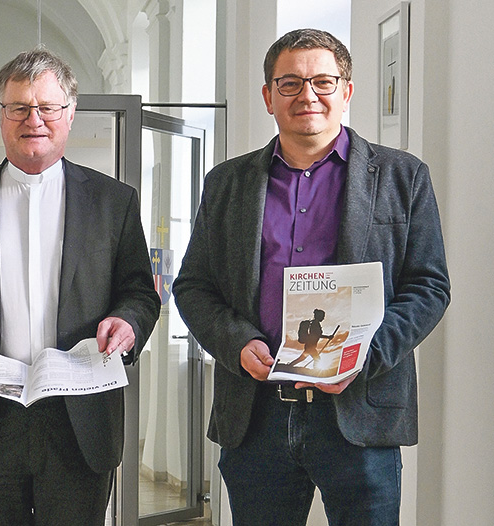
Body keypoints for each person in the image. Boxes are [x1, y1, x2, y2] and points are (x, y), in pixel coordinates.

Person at [173, 29, 450, 525]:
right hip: (256, 414)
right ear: (268, 96)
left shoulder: (403, 177)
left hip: (360, 410)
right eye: (290, 83)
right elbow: (193, 286)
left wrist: (366, 354)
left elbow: (429, 287)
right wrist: (236, 343)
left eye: (324, 81)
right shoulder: (226, 184)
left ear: (346, 91)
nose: (308, 96)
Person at [0, 48, 160, 525]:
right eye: (19, 107)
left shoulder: (114, 202)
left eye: (47, 107)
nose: (34, 119)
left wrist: (127, 324)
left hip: (79, 421)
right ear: (0, 115)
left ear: (70, 114)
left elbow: (140, 294)